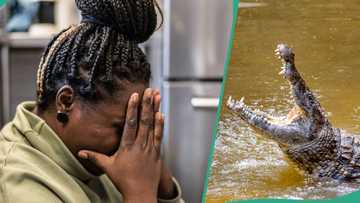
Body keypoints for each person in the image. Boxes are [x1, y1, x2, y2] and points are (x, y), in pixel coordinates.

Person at [0, 0, 184, 202]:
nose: (129, 142)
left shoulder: (88, 157)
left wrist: (160, 181)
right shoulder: (18, 184)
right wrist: (140, 193)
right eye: (120, 127)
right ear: (66, 101)